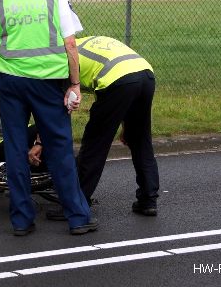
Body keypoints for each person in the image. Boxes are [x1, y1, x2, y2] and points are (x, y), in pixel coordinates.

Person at [0, 0, 96, 236]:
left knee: (15, 150)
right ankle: (77, 217)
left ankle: (22, 221)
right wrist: (74, 84)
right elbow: (71, 43)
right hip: (50, 83)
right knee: (60, 147)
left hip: (11, 84)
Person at [42, 35, 159, 220]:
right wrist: (125, 125)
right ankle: (148, 200)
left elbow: (61, 106)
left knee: (94, 145)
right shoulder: (84, 43)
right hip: (145, 74)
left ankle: (77, 203)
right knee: (141, 141)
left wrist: (41, 141)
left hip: (117, 81)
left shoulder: (63, 58)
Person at [0, 84, 45, 174]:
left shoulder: (27, 86)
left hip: (18, 135)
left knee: (45, 129)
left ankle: (44, 170)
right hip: (0, 143)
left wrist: (39, 144)